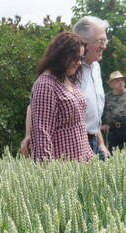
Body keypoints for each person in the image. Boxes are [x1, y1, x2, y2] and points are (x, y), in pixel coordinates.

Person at [21, 16, 110, 159]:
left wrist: (100, 143)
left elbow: (85, 116)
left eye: (105, 41)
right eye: (100, 41)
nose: (104, 46)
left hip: (87, 147)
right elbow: (40, 120)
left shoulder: (83, 72)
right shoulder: (48, 83)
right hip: (64, 156)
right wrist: (30, 135)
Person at [30, 32, 93, 162]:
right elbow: (42, 132)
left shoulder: (69, 80)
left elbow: (79, 125)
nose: (79, 63)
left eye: (81, 58)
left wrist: (89, 156)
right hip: (62, 168)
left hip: (82, 164)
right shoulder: (45, 85)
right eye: (75, 58)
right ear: (61, 55)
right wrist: (47, 173)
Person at [101, 71, 126, 153]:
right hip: (112, 130)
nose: (120, 82)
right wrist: (101, 126)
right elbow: (98, 113)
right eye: (117, 80)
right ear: (111, 85)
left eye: (122, 80)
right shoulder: (106, 97)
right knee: (111, 156)